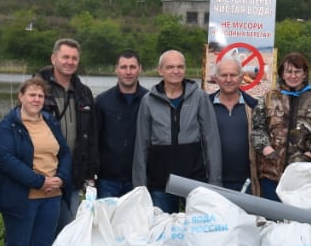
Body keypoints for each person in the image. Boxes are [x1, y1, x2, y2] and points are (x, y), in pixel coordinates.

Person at [0, 76, 72, 246]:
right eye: (32, 95)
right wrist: (39, 181)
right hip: (22, 196)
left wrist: (61, 178)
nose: (36, 99)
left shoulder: (49, 121)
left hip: (52, 196)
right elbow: (7, 160)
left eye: (40, 96)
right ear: (21, 97)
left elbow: (64, 152)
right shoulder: (8, 125)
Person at [133, 50, 221, 213]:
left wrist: (215, 182)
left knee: (198, 232)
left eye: (180, 67)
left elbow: (211, 140)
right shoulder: (148, 101)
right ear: (160, 70)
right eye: (170, 67)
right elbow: (141, 145)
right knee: (163, 232)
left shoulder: (199, 97)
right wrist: (140, 186)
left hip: (195, 181)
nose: (176, 71)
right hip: (160, 182)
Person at [253, 52, 311, 201]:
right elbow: (257, 129)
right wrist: (266, 149)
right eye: (289, 71)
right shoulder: (268, 98)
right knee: (271, 220)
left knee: (300, 222)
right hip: (271, 173)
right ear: (282, 74)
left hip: (305, 176)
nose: (293, 76)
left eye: (297, 71)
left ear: (305, 74)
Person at [37, 38, 96, 232]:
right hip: (45, 172)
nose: (70, 62)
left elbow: (91, 135)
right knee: (44, 231)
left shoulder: (84, 92)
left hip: (74, 173)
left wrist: (90, 173)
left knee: (69, 230)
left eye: (74, 58)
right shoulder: (37, 90)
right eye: (65, 57)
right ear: (54, 58)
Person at [94, 51, 147, 199]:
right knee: (106, 221)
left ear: (140, 69)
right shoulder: (102, 101)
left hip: (138, 179)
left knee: (136, 222)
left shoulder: (149, 100)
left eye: (132, 67)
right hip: (107, 180)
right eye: (123, 67)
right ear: (116, 69)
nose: (128, 72)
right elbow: (94, 138)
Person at [210, 57, 260, 193]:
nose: (228, 79)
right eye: (223, 75)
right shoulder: (205, 106)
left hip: (247, 182)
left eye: (233, 75)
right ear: (216, 78)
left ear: (241, 77)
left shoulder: (254, 106)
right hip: (212, 182)